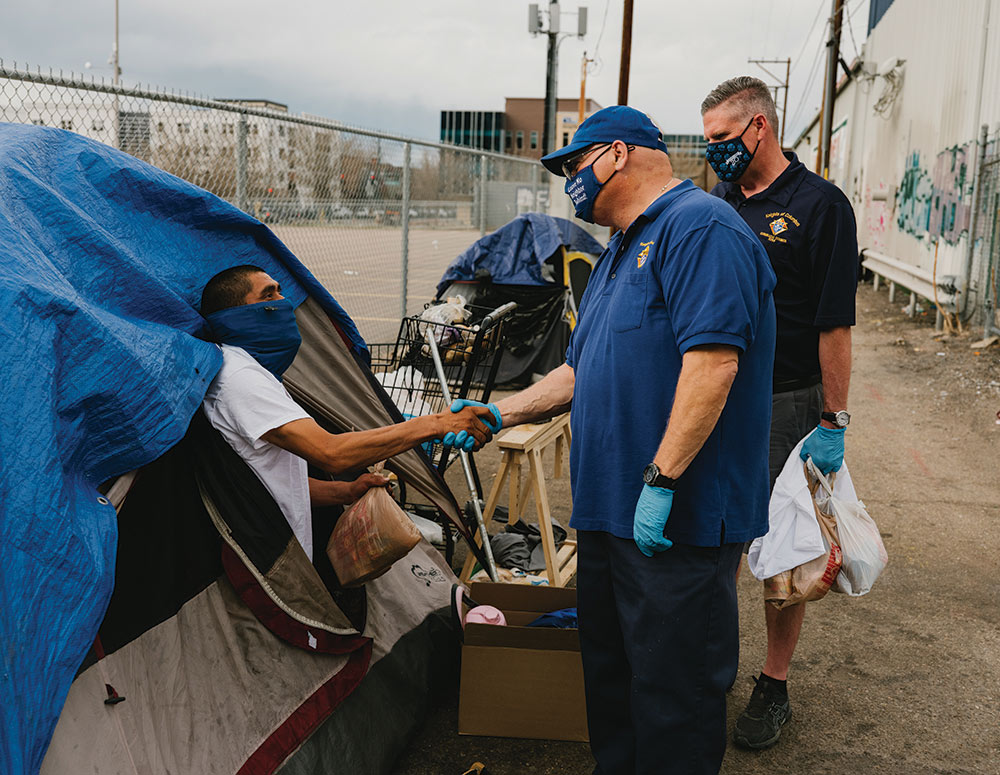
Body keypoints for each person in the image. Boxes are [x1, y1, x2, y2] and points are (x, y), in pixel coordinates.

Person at [453, 106, 776, 775]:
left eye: (575, 164)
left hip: (673, 521)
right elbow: (582, 366)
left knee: (673, 699)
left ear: (619, 154)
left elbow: (714, 364)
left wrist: (660, 480)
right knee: (613, 683)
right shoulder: (616, 251)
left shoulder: (701, 228)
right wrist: (497, 414)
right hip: (605, 515)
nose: (570, 180)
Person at [701, 75, 859, 750]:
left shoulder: (820, 206)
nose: (715, 153)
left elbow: (834, 325)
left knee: (779, 552)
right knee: (712, 541)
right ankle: (708, 670)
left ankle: (773, 683)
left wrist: (833, 421)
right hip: (717, 394)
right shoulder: (718, 204)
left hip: (785, 398)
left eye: (722, 139)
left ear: (758, 127)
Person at [199, 264, 497, 561]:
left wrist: (347, 491)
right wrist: (435, 424)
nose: (283, 303)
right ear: (235, 318)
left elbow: (275, 480)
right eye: (267, 296)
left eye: (279, 291)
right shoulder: (240, 379)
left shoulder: (253, 371)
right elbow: (331, 452)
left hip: (277, 545)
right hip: (263, 555)